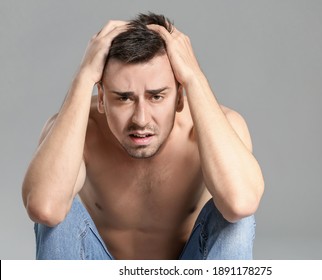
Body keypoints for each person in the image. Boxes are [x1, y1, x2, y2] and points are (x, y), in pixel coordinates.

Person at [22, 12, 264, 260]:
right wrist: (84, 77)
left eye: (156, 96)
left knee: (237, 218)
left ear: (180, 97)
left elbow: (240, 204)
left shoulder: (217, 128)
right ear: (103, 98)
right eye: (124, 98)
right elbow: (45, 208)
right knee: (56, 198)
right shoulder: (82, 131)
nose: (141, 119)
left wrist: (194, 77)